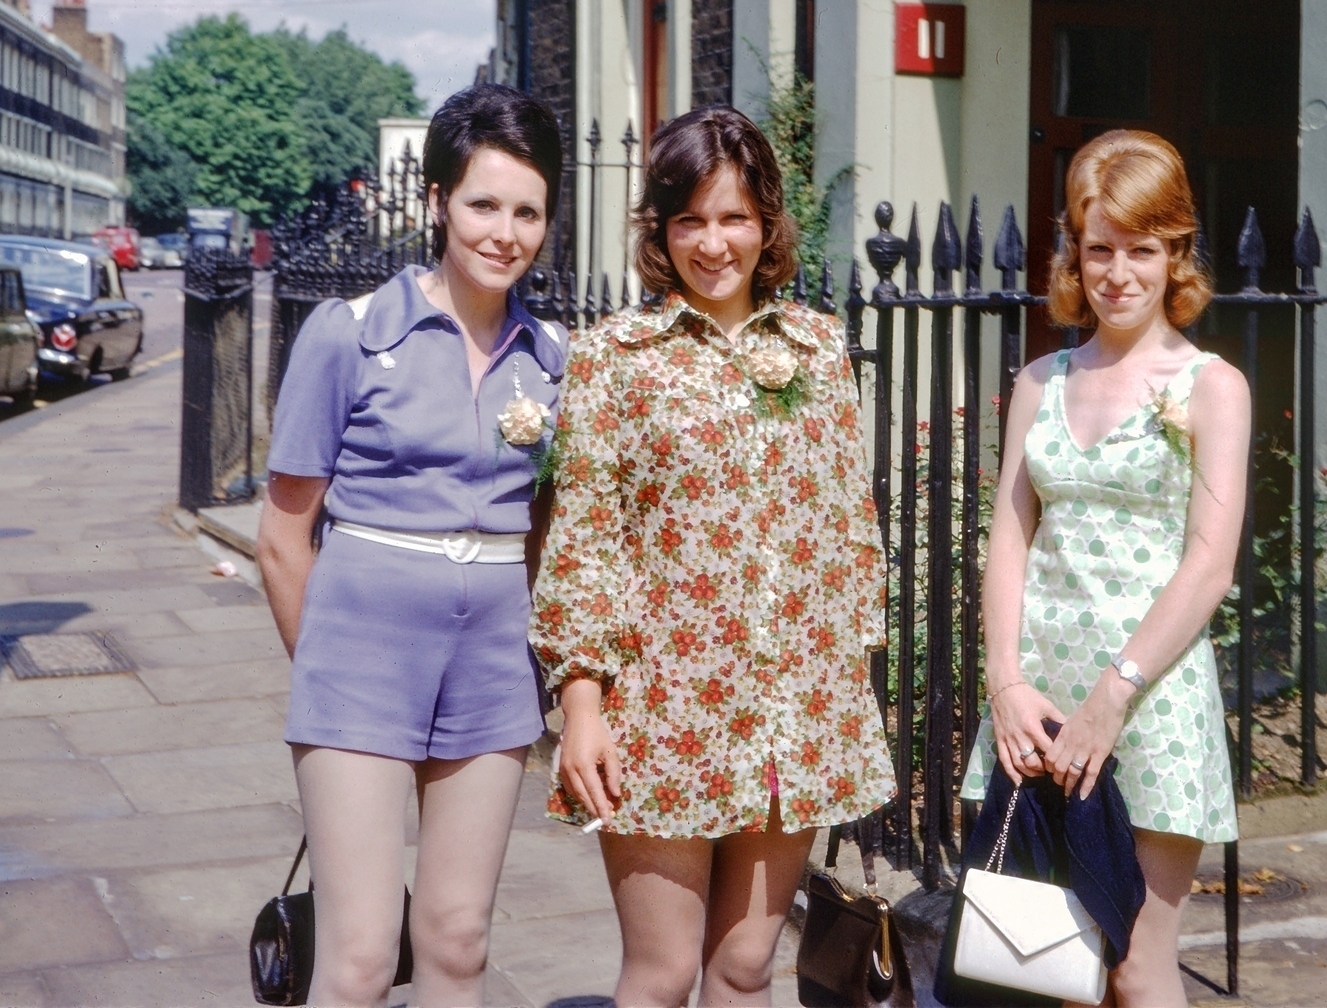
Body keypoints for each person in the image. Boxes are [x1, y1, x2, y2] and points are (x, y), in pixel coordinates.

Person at [531, 105, 895, 1007]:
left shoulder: (816, 346)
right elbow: (583, 536)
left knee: (743, 968)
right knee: (660, 974)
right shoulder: (615, 357)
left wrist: (847, 698)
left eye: (733, 217)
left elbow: (851, 523)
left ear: (767, 222)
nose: (713, 242)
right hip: (666, 711)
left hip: (792, 709)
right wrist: (582, 703)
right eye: (689, 218)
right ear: (659, 227)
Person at [257, 83, 565, 1007]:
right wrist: (325, 671)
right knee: (356, 959)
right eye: (482, 203)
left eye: (527, 211)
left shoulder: (554, 358)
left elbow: (550, 526)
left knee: (458, 941)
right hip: (359, 660)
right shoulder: (348, 336)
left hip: (491, 668)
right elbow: (281, 535)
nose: (503, 232)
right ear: (437, 203)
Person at [960, 129, 1250, 1005]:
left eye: (1141, 250)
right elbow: (1008, 536)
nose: (1118, 272)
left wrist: (1113, 696)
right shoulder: (1042, 379)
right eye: (1099, 249)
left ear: (1175, 256)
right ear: (1073, 253)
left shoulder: (1209, 386)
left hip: (1146, 701)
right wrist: (1005, 684)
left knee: (1130, 964)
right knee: (1030, 961)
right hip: (1037, 703)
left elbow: (1208, 564)